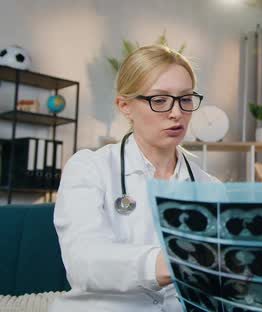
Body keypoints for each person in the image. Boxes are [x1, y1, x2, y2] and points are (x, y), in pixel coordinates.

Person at [50, 45, 219, 312]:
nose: (177, 112)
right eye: (160, 100)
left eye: (186, 99)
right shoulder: (88, 168)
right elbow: (83, 261)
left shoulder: (211, 188)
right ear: (125, 106)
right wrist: (172, 263)